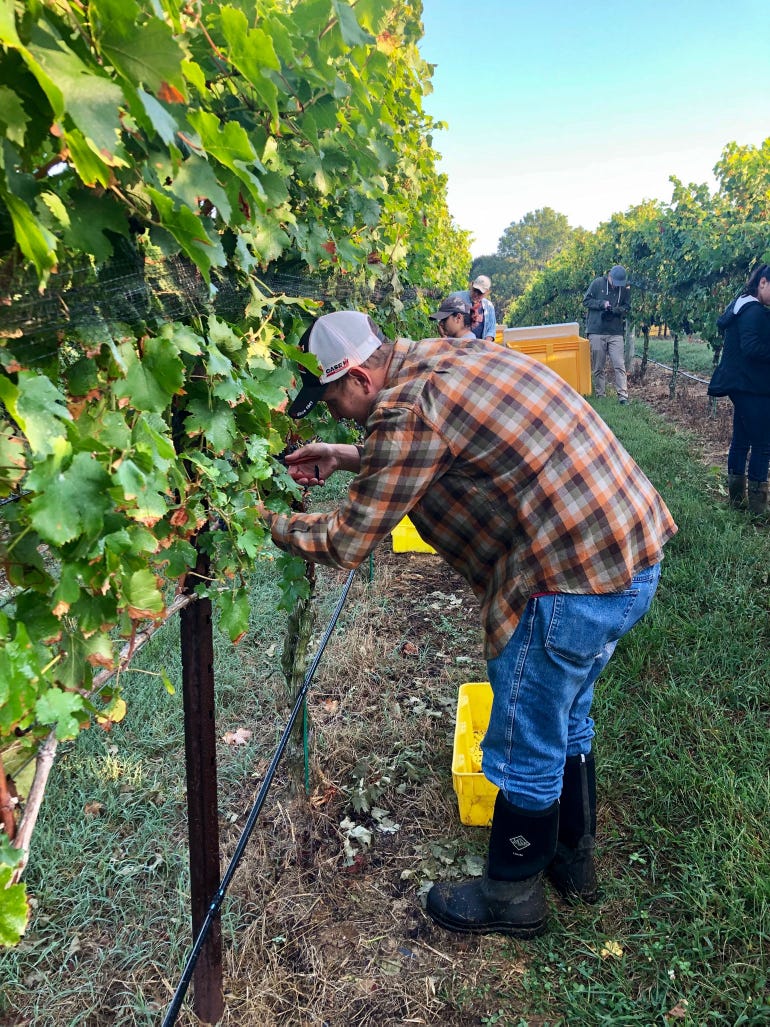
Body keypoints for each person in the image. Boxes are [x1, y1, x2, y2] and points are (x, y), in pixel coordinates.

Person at [267, 310, 677, 938]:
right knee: (568, 715)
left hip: (565, 581)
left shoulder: (408, 408)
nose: (334, 414)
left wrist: (268, 525)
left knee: (526, 739)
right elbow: (445, 446)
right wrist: (349, 457)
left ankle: (512, 896)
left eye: (330, 399)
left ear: (356, 376)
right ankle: (574, 861)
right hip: (626, 557)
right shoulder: (446, 356)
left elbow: (348, 540)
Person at [707, 262, 770, 515]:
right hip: (750, 385)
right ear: (763, 283)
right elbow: (752, 347)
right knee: (763, 444)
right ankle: (757, 510)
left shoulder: (741, 304)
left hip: (741, 384)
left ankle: (736, 501)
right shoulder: (754, 310)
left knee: (742, 440)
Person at [583, 265, 631, 404]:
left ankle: (623, 396)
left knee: (619, 364)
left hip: (615, 331)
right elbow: (586, 301)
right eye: (615, 282)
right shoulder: (598, 283)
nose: (617, 286)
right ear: (610, 276)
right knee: (598, 365)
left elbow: (627, 307)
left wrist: (616, 310)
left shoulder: (625, 289)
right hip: (596, 330)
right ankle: (600, 395)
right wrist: (602, 304)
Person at [450, 274, 497, 341]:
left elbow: (491, 329)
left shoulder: (489, 306)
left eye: (480, 293)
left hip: (479, 347)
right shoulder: (456, 297)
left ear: (487, 292)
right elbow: (442, 319)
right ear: (471, 285)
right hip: (455, 343)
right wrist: (446, 338)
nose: (476, 294)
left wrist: (486, 344)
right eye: (475, 290)